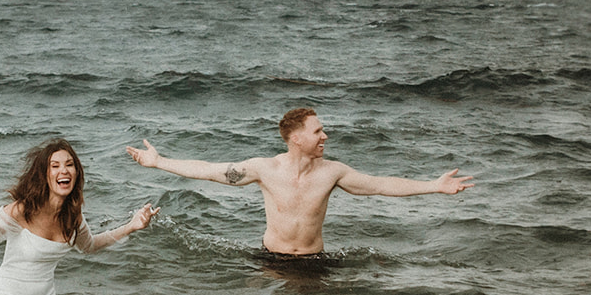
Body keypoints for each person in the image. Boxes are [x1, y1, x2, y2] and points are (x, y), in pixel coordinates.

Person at [126, 107, 471, 256]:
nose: (326, 135)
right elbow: (209, 170)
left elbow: (380, 184)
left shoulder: (332, 172)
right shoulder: (264, 168)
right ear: (296, 138)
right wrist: (158, 162)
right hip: (270, 258)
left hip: (314, 262)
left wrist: (434, 185)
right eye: (318, 131)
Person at [0, 138, 157, 295]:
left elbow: (90, 246)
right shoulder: (22, 210)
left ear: (76, 172)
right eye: (55, 165)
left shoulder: (73, 215)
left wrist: (131, 226)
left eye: (69, 164)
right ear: (44, 174)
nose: (64, 170)